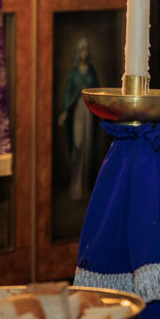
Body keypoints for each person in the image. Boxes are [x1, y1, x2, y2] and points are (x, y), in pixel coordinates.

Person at [59, 37, 98, 201]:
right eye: (81, 50)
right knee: (77, 144)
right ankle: (75, 185)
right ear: (78, 53)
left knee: (88, 145)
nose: (84, 53)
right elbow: (69, 93)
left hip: (88, 111)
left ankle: (85, 186)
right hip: (77, 111)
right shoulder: (74, 73)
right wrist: (65, 112)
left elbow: (97, 91)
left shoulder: (91, 71)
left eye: (86, 50)